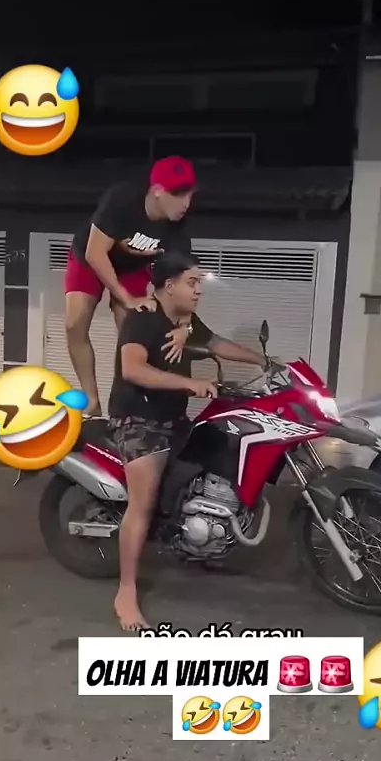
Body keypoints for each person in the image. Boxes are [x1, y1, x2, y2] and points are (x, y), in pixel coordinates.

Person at [108, 250, 266, 631]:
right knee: (141, 505)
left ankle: (199, 532)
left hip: (173, 418)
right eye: (192, 282)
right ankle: (126, 592)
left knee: (212, 454)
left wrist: (264, 362)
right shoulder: (142, 319)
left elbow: (216, 344)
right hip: (140, 420)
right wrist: (190, 383)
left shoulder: (185, 321)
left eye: (199, 283)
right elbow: (133, 369)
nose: (198, 290)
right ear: (168, 285)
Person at [65, 156, 197, 417]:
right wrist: (125, 298)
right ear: (157, 191)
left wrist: (186, 327)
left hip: (132, 268)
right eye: (178, 195)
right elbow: (95, 253)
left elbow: (184, 284)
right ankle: (91, 400)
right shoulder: (123, 199)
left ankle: (127, 405)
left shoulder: (178, 230)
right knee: (74, 323)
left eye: (190, 195)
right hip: (91, 257)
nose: (186, 203)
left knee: (133, 331)